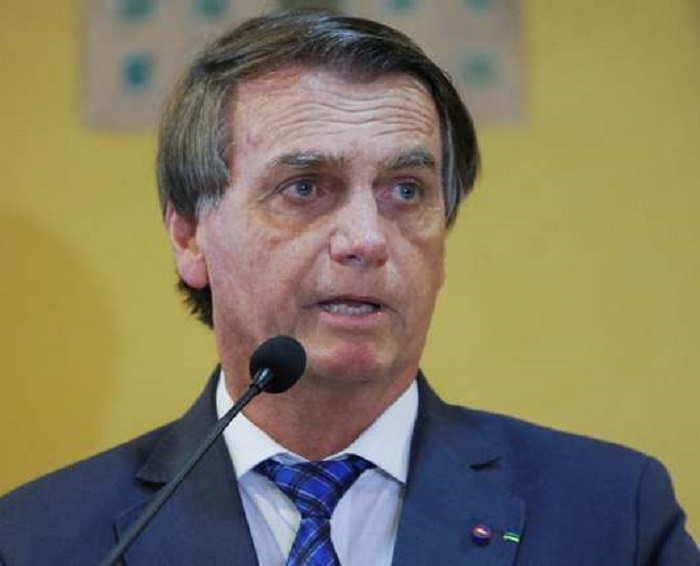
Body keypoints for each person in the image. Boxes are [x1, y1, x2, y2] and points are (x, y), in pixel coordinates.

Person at [0, 9, 698, 566]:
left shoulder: (614, 516)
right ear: (189, 237)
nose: (366, 239)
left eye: (406, 190)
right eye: (305, 187)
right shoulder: (40, 539)